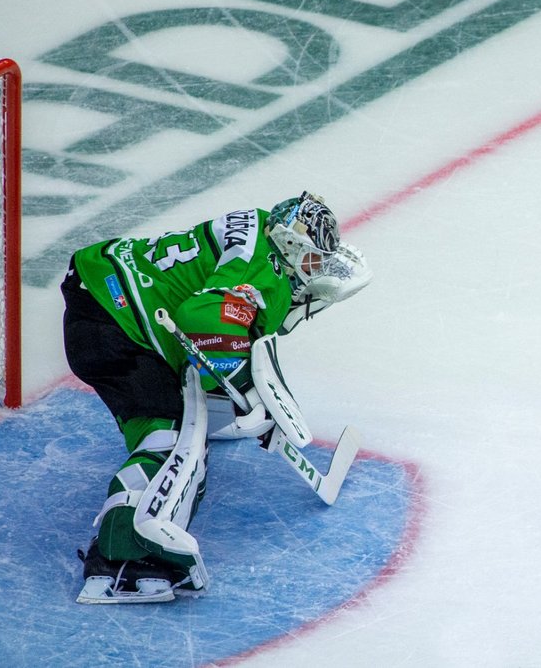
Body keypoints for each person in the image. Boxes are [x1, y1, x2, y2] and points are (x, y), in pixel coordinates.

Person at [61, 191, 372, 603]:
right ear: (292, 245)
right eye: (313, 260)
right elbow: (202, 321)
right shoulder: (265, 272)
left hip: (105, 291)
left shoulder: (263, 227)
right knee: (171, 440)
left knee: (179, 414)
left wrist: (241, 398)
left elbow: (213, 325)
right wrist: (248, 395)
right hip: (112, 319)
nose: (314, 274)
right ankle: (119, 561)